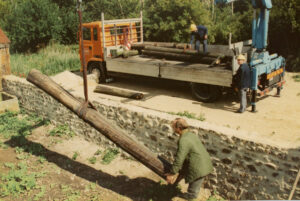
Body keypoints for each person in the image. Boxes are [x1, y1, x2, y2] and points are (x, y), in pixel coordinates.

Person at [165, 118, 213, 201]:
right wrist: (180, 174)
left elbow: (179, 159)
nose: (173, 129)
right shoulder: (190, 135)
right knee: (194, 187)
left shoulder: (183, 140)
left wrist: (172, 173)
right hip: (204, 164)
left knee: (192, 194)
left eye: (173, 127)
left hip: (199, 168)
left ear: (179, 128)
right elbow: (187, 158)